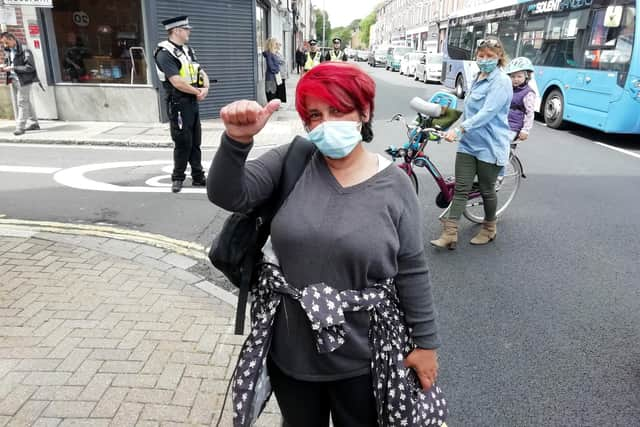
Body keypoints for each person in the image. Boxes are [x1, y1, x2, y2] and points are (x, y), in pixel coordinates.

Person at [208, 62, 441, 426]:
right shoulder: (292, 162)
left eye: (338, 109)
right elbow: (228, 193)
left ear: (364, 113)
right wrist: (237, 142)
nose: (326, 122)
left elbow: (412, 269)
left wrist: (425, 346)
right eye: (315, 114)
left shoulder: (395, 186)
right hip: (291, 350)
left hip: (366, 356)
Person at [432, 38, 513, 249]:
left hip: (490, 145)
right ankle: (450, 233)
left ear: (499, 58)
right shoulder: (478, 76)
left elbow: (488, 113)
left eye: (490, 56)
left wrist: (459, 129)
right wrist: (445, 121)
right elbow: (468, 108)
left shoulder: (501, 81)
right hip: (468, 144)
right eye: (481, 55)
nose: (484, 60)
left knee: (487, 190)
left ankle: (489, 228)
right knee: (461, 188)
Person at [154, 16, 210, 193]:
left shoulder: (187, 50)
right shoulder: (165, 53)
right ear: (177, 30)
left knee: (196, 141)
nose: (189, 31)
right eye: (186, 29)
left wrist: (205, 87)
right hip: (178, 103)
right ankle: (177, 177)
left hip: (192, 102)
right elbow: (176, 81)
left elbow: (199, 70)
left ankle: (198, 176)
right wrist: (197, 92)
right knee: (182, 141)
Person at [0, 32, 41, 136]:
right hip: (14, 79)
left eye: (6, 42)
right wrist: (5, 65)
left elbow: (30, 67)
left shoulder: (25, 50)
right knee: (25, 101)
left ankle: (20, 127)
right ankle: (34, 123)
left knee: (21, 102)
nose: (5, 45)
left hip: (24, 80)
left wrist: (13, 68)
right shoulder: (8, 50)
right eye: (3, 43)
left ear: (12, 39)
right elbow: (11, 62)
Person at [505, 57, 536, 142]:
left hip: (513, 127)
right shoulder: (508, 88)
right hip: (501, 124)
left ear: (526, 77)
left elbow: (530, 113)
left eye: (519, 76)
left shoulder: (528, 93)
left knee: (502, 149)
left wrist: (525, 130)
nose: (516, 79)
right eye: (513, 76)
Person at [263, 38, 286, 103]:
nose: (277, 45)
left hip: (274, 76)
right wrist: (277, 70)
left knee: (274, 91)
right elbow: (271, 66)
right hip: (271, 76)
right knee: (271, 92)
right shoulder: (269, 54)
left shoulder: (273, 53)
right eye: (276, 44)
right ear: (272, 44)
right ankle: (271, 106)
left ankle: (274, 105)